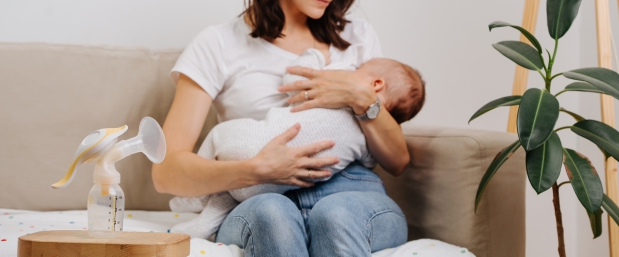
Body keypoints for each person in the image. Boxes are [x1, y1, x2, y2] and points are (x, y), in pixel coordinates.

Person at [152, 0, 415, 256]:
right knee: (271, 213)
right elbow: (166, 172)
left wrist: (360, 97)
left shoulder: (359, 39)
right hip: (258, 199)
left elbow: (397, 161)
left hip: (353, 193)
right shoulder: (218, 44)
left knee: (334, 215)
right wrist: (253, 170)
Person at [168, 48, 426, 240]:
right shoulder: (367, 141)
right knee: (253, 202)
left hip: (252, 166)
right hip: (267, 185)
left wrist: (313, 57)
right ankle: (205, 217)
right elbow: (374, 159)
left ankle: (198, 201)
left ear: (376, 84)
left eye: (359, 69)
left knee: (219, 136)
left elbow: (293, 82)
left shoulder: (336, 89)